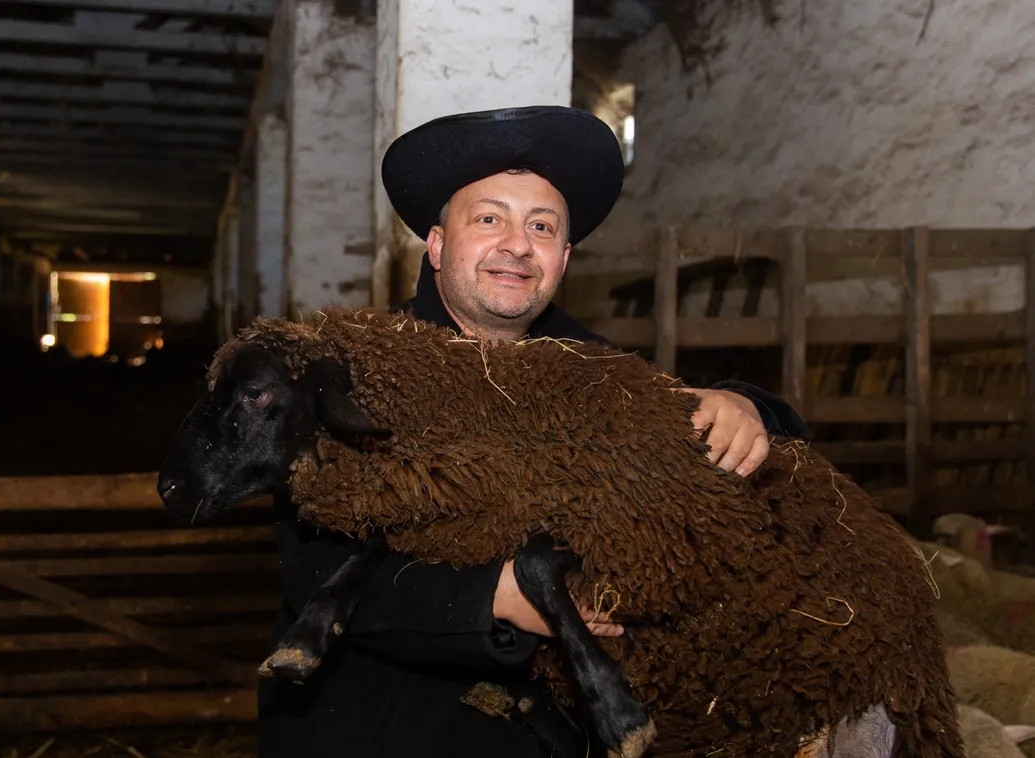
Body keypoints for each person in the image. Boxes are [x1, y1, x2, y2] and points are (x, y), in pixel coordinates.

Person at [257, 105, 812, 758]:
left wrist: (745, 408)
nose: (517, 244)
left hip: (542, 734)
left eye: (541, 227)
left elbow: (736, 429)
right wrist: (489, 597)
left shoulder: (590, 370)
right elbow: (313, 567)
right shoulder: (354, 375)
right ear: (437, 244)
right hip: (372, 725)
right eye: (489, 218)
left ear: (564, 257)